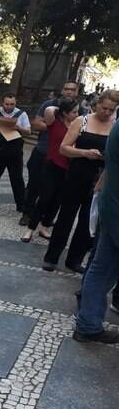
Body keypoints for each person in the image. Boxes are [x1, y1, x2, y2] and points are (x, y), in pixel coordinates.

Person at [43, 91, 117, 273]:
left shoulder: (114, 126)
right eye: (104, 108)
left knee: (87, 220)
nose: (106, 112)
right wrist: (84, 153)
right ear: (96, 104)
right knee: (66, 216)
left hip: (99, 176)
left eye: (111, 109)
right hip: (77, 173)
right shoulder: (81, 121)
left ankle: (74, 259)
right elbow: (64, 148)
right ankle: (51, 256)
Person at [73, 119, 119, 343]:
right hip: (115, 207)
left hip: (112, 205)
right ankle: (87, 323)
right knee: (102, 269)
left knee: (102, 268)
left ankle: (88, 324)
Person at [20, 81, 83, 227]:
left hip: (64, 157)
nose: (69, 92)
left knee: (56, 192)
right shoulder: (50, 104)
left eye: (72, 90)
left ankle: (47, 219)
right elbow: (36, 123)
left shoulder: (79, 111)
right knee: (34, 184)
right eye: (66, 89)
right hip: (43, 149)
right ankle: (27, 213)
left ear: (76, 92)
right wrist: (54, 127)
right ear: (62, 90)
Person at [0, 93, 31, 211]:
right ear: (2, 103)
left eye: (12, 104)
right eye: (7, 104)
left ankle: (20, 204)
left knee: (17, 178)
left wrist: (18, 128)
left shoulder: (21, 114)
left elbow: (28, 131)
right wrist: (0, 126)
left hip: (14, 151)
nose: (9, 106)